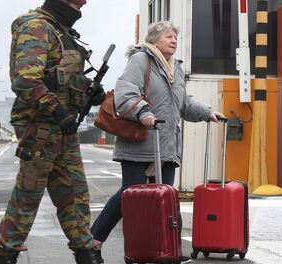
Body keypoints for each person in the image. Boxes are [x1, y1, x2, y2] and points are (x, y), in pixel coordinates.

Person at [88, 21, 225, 264]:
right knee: (128, 195)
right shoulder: (141, 60)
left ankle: (164, 249)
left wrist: (207, 112)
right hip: (140, 143)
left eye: (175, 37)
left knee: (165, 199)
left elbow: (182, 104)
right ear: (155, 40)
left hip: (166, 145)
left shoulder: (176, 68)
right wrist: (144, 113)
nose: (174, 41)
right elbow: (126, 92)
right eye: (169, 37)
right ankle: (94, 241)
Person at [0, 0, 105, 264]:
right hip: (40, 128)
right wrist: (58, 111)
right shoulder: (37, 27)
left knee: (76, 196)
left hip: (63, 129)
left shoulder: (60, 30)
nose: (85, 2)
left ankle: (85, 252)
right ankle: (6, 254)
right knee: (28, 196)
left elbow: (60, 77)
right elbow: (25, 80)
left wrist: (90, 90)